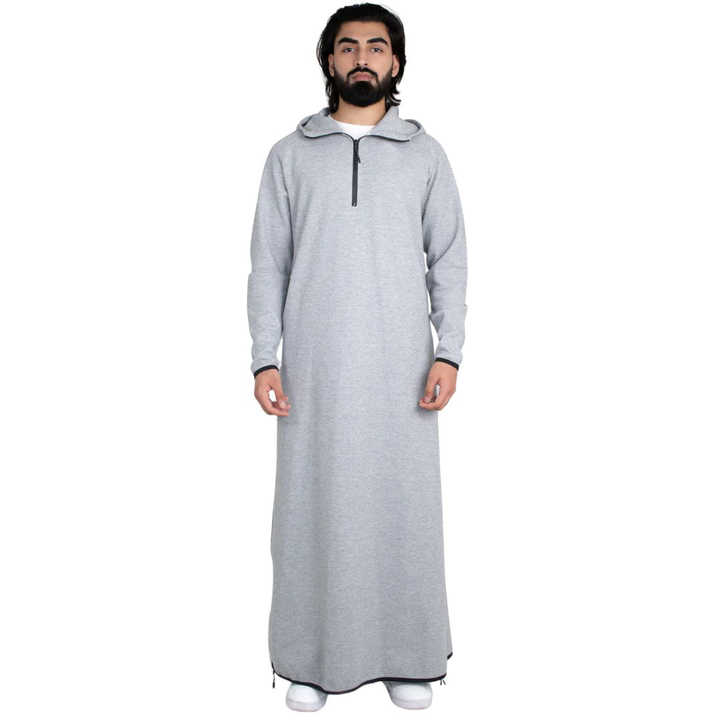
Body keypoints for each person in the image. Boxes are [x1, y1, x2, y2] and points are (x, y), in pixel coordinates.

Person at [247, 3, 468, 711]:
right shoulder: (290, 155)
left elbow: (449, 261)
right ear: (329, 60)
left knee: (403, 508)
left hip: (403, 370)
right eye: (348, 47)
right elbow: (268, 264)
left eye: (376, 47)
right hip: (313, 370)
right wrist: (264, 357)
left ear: (395, 62)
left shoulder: (425, 156)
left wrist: (449, 353)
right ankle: (310, 661)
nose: (362, 58)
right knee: (310, 509)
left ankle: (409, 654)